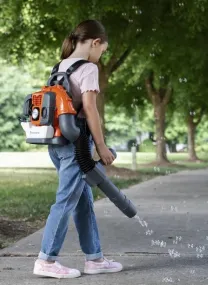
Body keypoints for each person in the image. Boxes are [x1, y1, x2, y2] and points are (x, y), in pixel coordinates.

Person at [33, 19, 123, 279]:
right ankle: (46, 260)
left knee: (82, 201)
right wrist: (102, 147)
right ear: (95, 43)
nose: (101, 56)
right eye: (102, 51)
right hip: (78, 145)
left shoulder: (58, 67)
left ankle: (94, 258)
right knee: (65, 201)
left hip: (57, 143)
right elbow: (90, 109)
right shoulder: (88, 68)